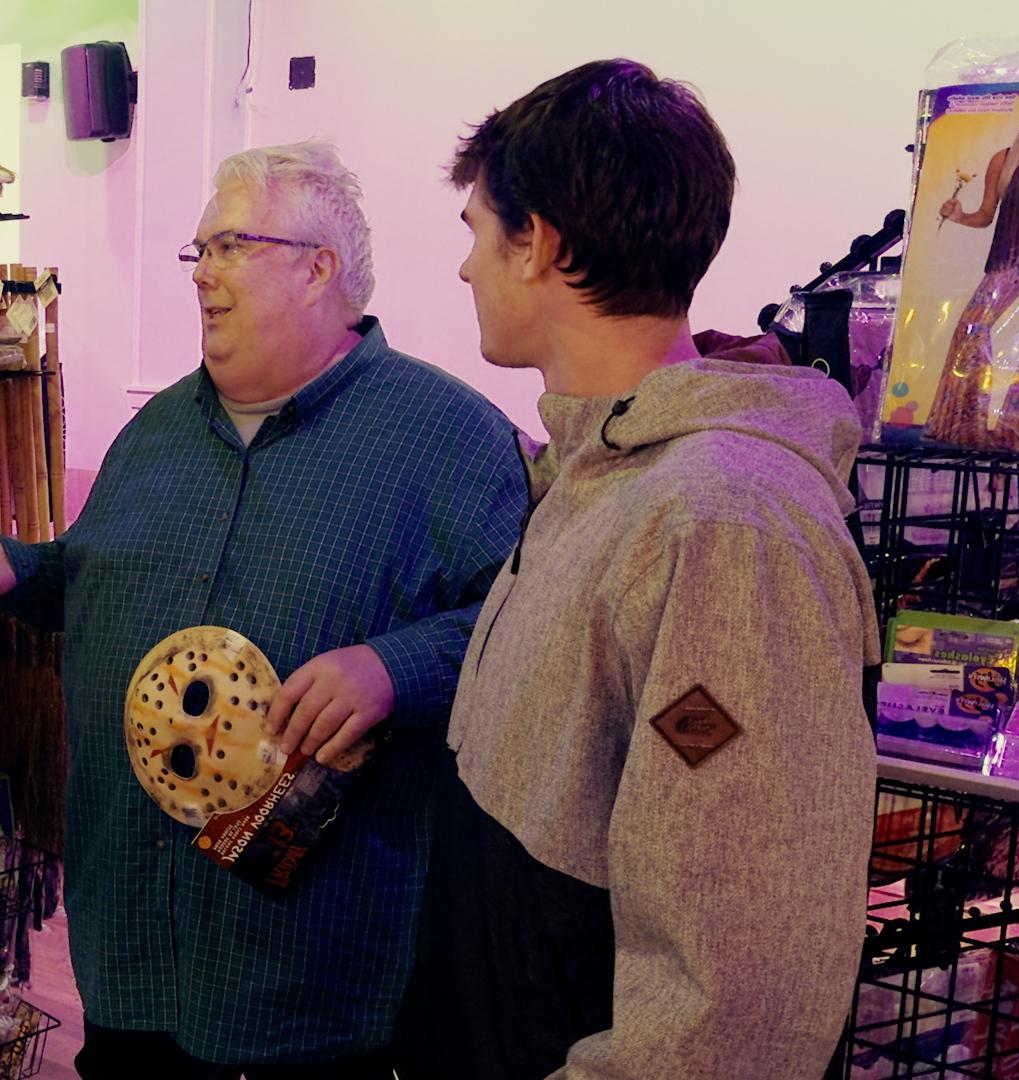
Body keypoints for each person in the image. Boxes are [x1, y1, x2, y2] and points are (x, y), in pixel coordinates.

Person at [0, 141, 525, 1077]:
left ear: (318, 269)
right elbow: (99, 582)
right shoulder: (156, 432)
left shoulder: (448, 438)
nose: (203, 274)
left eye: (230, 246)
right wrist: (16, 570)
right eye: (198, 252)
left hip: (317, 981)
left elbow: (529, 633)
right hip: (131, 952)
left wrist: (394, 669)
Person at [393, 60, 877, 1078]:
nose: (465, 269)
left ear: (546, 247)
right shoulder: (594, 477)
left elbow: (737, 996)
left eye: (478, 232)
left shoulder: (721, 524)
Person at [928, 93, 1019, 447]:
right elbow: (985, 214)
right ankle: (962, 425)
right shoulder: (1005, 160)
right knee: (972, 331)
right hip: (1008, 259)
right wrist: (959, 215)